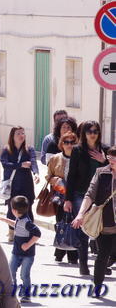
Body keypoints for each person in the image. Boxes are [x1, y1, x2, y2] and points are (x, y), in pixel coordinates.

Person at [64, 121, 109, 275]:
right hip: (80, 194)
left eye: (95, 131)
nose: (92, 134)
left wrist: (104, 161)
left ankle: (102, 265)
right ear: (83, 133)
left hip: (102, 196)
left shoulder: (105, 150)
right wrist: (67, 199)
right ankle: (83, 264)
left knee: (102, 230)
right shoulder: (77, 150)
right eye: (89, 131)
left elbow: (113, 169)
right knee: (83, 229)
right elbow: (71, 176)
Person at [72, 145, 116, 296]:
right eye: (110, 158)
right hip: (106, 224)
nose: (111, 161)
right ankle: (97, 287)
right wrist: (80, 214)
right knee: (102, 256)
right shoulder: (101, 173)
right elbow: (89, 195)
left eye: (114, 158)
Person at [0, 196, 41, 303]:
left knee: (24, 275)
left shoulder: (27, 222)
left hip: (27, 255)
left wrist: (28, 244)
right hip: (16, 253)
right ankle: (11, 292)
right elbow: (16, 224)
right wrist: (3, 219)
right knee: (11, 272)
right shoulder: (20, 219)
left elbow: (38, 234)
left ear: (14, 211)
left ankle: (26, 295)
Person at [0, 126, 40, 241]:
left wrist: (36, 173)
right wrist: (20, 165)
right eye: (18, 133)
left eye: (23, 133)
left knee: (28, 208)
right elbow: (5, 164)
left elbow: (33, 162)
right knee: (12, 209)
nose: (21, 135)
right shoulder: (6, 149)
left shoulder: (29, 149)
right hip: (12, 184)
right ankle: (12, 232)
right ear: (12, 136)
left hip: (26, 183)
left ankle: (31, 232)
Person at [46, 131, 79, 264]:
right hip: (60, 197)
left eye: (72, 142)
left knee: (74, 224)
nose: (69, 145)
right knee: (60, 223)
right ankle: (59, 252)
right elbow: (48, 176)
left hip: (75, 196)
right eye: (66, 142)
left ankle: (73, 255)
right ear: (62, 144)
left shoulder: (80, 158)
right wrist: (55, 180)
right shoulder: (55, 158)